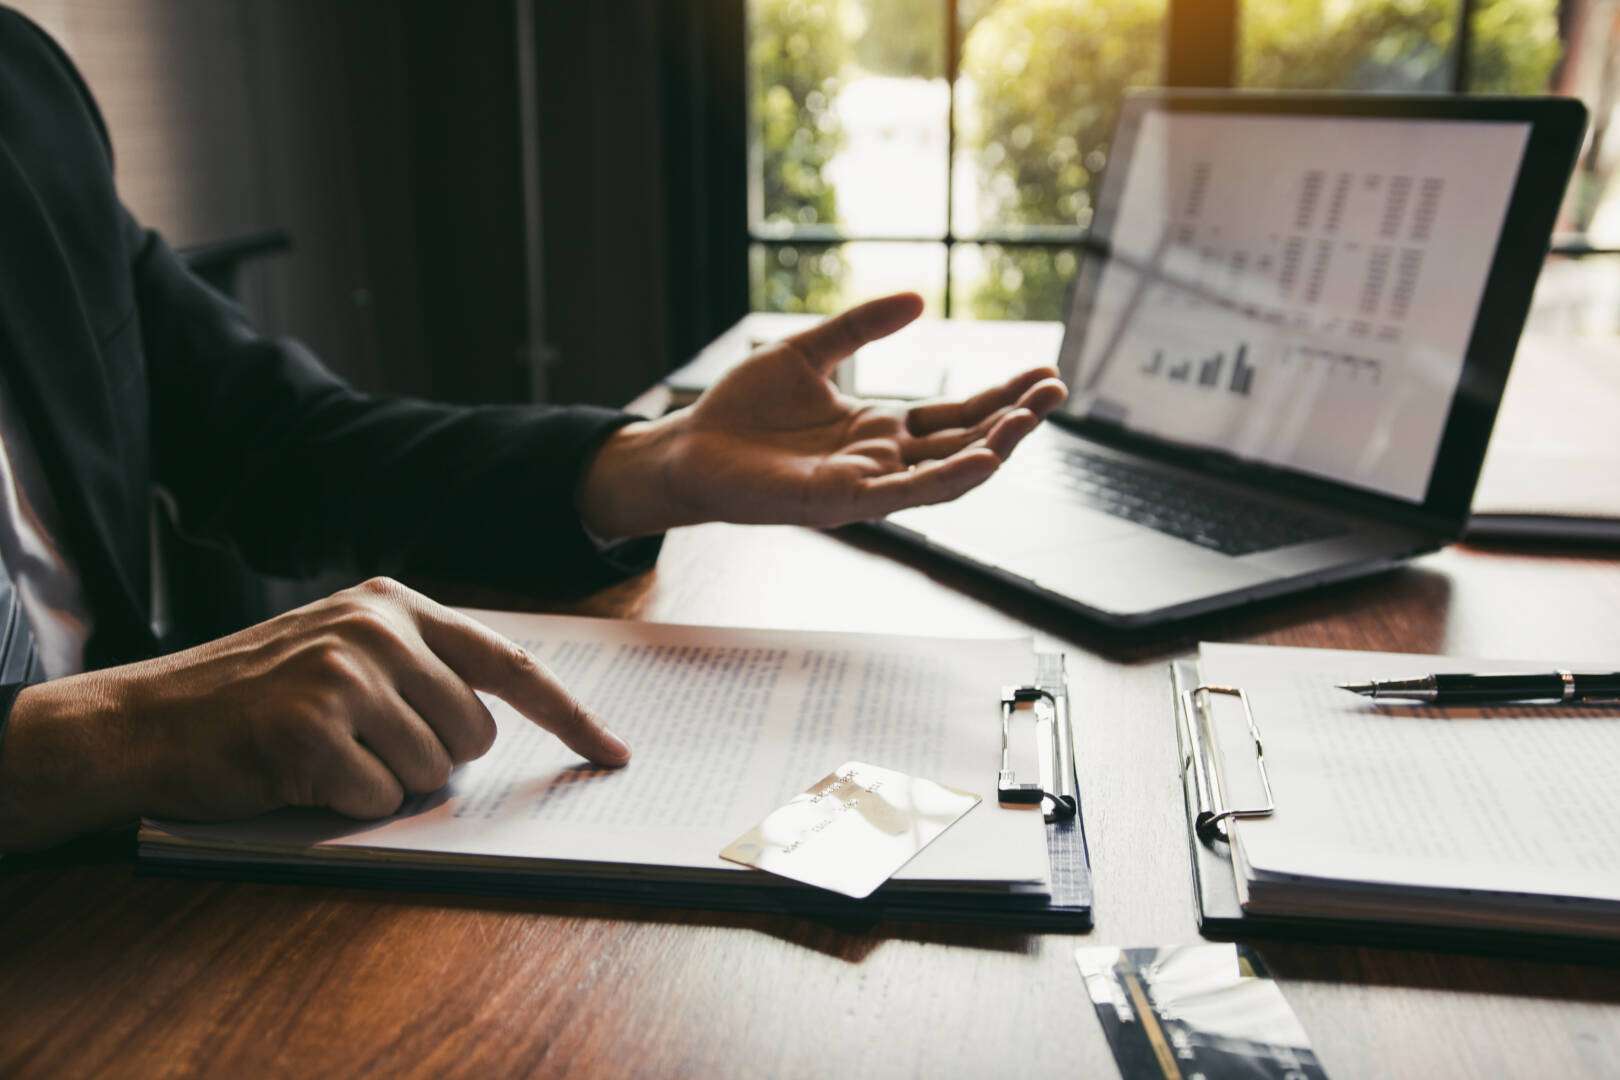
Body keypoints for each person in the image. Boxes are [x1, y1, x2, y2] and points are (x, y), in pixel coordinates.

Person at [0, 8, 1065, 851]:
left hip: (123, 882)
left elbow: (283, 441)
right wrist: (117, 732)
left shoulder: (22, 88)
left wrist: (653, 463)